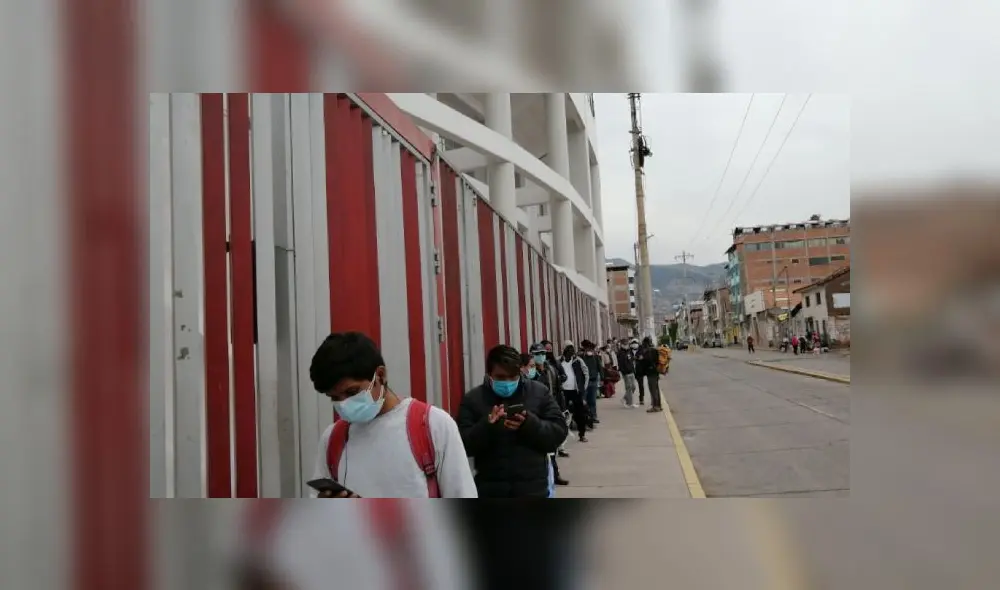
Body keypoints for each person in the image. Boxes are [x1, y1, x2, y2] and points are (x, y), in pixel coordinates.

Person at [308, 332, 477, 498]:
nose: (344, 404)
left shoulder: (433, 426)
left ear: (380, 375)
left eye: (352, 392)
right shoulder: (332, 439)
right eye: (335, 398)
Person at [457, 345, 569, 498]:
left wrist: (530, 424)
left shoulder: (539, 392)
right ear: (490, 374)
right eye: (501, 377)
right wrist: (487, 427)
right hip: (490, 491)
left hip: (533, 491)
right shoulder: (473, 400)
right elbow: (462, 445)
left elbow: (559, 433)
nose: (507, 382)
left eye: (513, 377)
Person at [524, 350, 570, 487]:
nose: (542, 356)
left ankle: (555, 475)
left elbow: (555, 390)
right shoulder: (523, 383)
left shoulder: (546, 372)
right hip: (531, 420)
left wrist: (561, 408)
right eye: (529, 366)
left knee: (550, 450)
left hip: (544, 416)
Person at [560, 342, 591, 443]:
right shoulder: (559, 361)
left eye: (572, 350)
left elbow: (586, 373)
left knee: (580, 413)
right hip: (563, 391)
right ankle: (562, 436)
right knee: (563, 413)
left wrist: (583, 388)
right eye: (568, 350)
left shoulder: (578, 361)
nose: (570, 352)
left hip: (576, 391)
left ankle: (582, 434)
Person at [637, 336, 663, 413]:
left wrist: (641, 359)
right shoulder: (655, 350)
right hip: (656, 372)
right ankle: (659, 405)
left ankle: (655, 407)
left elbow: (646, 362)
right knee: (656, 389)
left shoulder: (648, 352)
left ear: (645, 343)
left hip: (651, 373)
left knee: (653, 390)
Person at [580, 340, 602, 424]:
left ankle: (593, 416)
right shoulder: (581, 358)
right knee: (584, 400)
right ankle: (586, 417)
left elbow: (600, 368)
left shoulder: (596, 357)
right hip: (584, 382)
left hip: (593, 381)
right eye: (587, 349)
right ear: (585, 349)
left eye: (591, 349)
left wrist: (602, 379)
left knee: (592, 400)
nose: (589, 351)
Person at [617, 339, 638, 408]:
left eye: (627, 344)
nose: (626, 345)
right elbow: (621, 364)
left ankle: (624, 398)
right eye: (625, 344)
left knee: (633, 387)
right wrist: (623, 372)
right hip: (626, 373)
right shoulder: (620, 353)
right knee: (628, 387)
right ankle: (630, 403)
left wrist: (633, 370)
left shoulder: (629, 351)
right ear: (622, 345)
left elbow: (631, 361)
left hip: (631, 371)